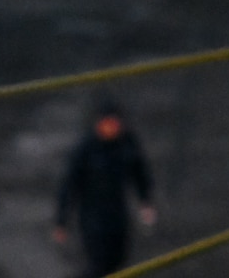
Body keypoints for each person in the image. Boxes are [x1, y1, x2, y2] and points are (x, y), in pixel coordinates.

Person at [54, 97, 157, 278]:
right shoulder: (86, 149)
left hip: (118, 215)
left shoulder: (127, 143)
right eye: (106, 123)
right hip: (92, 217)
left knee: (118, 260)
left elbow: (140, 174)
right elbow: (69, 185)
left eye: (114, 123)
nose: (111, 127)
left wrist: (145, 202)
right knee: (98, 265)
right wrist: (61, 221)